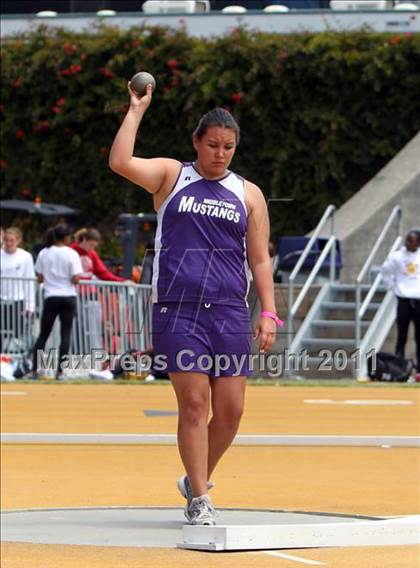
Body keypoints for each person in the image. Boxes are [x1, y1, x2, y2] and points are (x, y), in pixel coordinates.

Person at [109, 81, 280, 526]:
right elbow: (120, 161)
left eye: (228, 147)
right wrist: (136, 109)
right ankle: (200, 498)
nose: (220, 153)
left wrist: (267, 311)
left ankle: (195, 477)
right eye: (212, 145)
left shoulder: (248, 194)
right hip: (178, 309)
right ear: (196, 142)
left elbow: (259, 258)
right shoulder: (171, 176)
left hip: (227, 311)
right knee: (193, 405)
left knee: (231, 411)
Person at [32, 224, 84, 379]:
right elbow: (76, 279)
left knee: (44, 334)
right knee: (65, 334)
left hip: (51, 296)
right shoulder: (71, 253)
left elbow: (40, 277)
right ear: (67, 238)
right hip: (68, 295)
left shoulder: (44, 253)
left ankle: (35, 369)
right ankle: (61, 371)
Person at [381, 229, 420, 379]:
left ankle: (419, 371)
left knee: (419, 337)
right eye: (407, 240)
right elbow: (385, 272)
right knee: (401, 336)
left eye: (412, 240)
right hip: (403, 300)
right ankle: (398, 369)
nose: (408, 243)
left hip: (418, 300)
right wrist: (393, 287)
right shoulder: (397, 256)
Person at [0, 227, 36, 353]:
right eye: (6, 240)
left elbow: (29, 280)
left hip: (18, 300)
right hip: (1, 299)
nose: (8, 243)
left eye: (11, 240)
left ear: (18, 241)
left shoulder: (25, 256)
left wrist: (30, 305)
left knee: (18, 333)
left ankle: (15, 361)